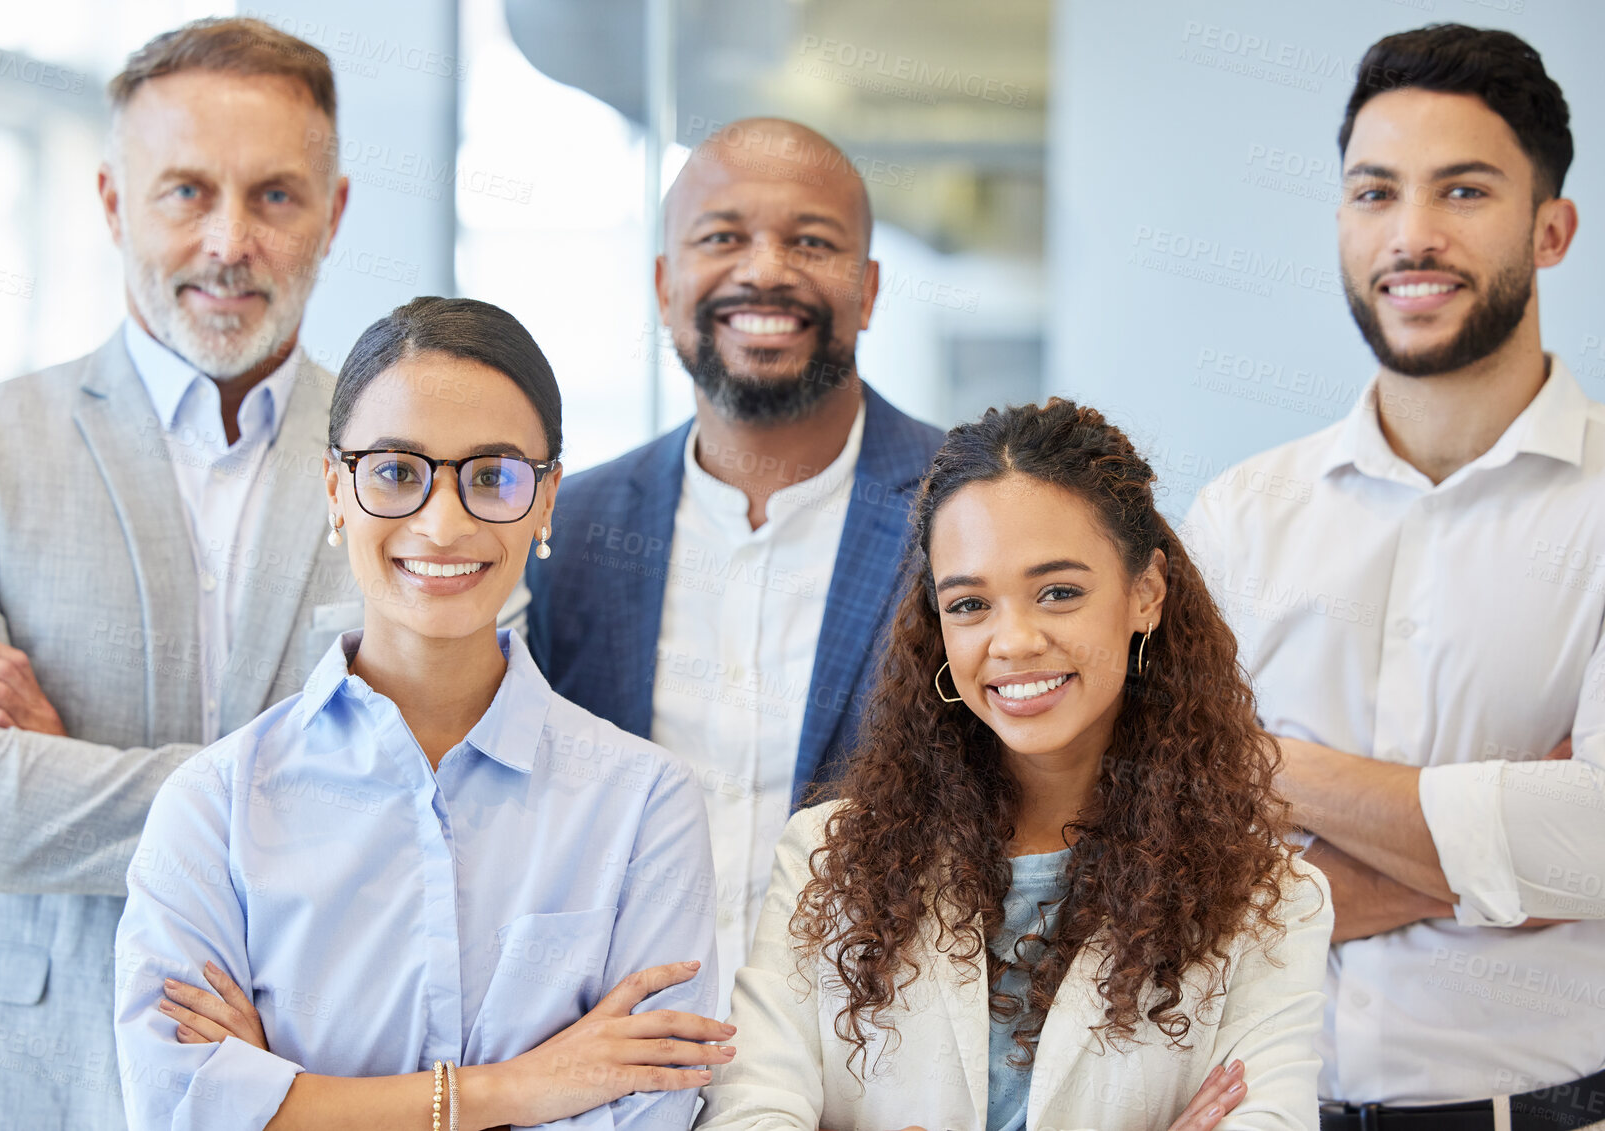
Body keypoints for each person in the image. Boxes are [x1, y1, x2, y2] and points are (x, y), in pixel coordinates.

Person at [0, 19, 365, 1129]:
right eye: (186, 192)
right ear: (111, 202)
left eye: (275, 196)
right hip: (4, 1079)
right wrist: (302, 800)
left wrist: (62, 765)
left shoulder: (412, 469)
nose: (230, 240)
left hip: (302, 1078)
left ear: (334, 212)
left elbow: (432, 813)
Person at [112, 296, 724, 1131]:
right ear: (336, 489)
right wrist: (518, 1087)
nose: (443, 524)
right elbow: (182, 1111)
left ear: (546, 500)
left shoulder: (646, 807)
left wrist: (295, 1102)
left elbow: (647, 1115)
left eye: (493, 477)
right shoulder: (214, 806)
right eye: (397, 472)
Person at [1181, 24, 1605, 1130]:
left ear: (1549, 229)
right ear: (1340, 222)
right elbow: (1169, 861)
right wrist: (1502, 842)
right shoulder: (1237, 518)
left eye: (1463, 192)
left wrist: (1266, 763)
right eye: (1375, 194)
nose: (1411, 237)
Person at [700, 400, 1334, 1131]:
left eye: (1058, 592)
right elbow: (748, 1115)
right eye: (969, 603)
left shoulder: (1271, 901)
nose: (1014, 640)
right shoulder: (823, 858)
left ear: (1146, 593)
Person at [525, 117, 945, 1002]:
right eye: (722, 238)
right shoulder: (566, 529)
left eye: (811, 241)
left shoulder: (968, 518)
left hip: (874, 1077)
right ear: (664, 284)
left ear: (868, 292)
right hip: (620, 1077)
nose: (763, 270)